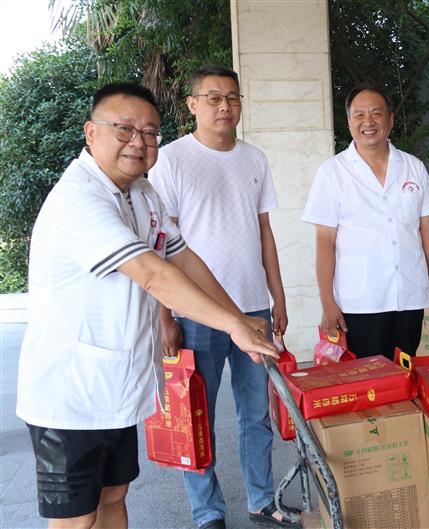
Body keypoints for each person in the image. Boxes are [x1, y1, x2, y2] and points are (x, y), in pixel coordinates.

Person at [16, 82, 278, 529]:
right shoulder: (79, 199)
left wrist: (238, 318)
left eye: (150, 132)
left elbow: (183, 258)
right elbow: (154, 275)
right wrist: (233, 326)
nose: (138, 142)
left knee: (114, 497)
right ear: (91, 133)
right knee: (77, 518)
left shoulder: (141, 193)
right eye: (124, 129)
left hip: (115, 386)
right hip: (69, 396)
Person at [149, 65, 297, 529]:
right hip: (197, 313)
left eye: (232, 97)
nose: (224, 106)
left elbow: (265, 232)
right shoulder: (171, 160)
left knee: (257, 413)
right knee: (197, 415)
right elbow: (160, 244)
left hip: (253, 307)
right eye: (213, 97)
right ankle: (207, 512)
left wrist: (277, 296)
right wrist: (165, 317)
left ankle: (261, 500)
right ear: (192, 105)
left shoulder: (254, 159)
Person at [302, 82, 429, 359]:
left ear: (390, 120)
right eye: (359, 115)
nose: (368, 122)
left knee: (405, 372)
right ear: (349, 121)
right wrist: (327, 302)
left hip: (409, 296)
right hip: (360, 302)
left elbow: (428, 232)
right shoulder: (332, 173)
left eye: (376, 114)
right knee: (366, 378)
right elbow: (325, 242)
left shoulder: (413, 167)